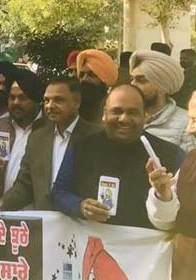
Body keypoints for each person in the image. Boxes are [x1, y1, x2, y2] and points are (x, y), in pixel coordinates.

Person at [51, 85, 183, 229]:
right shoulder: (82, 147)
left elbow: (185, 212)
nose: (124, 119)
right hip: (92, 238)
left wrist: (163, 196)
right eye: (117, 111)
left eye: (133, 113)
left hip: (146, 241)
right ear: (104, 114)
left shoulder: (169, 154)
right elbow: (59, 192)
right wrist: (80, 206)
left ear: (145, 116)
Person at [1, 77, 101, 211]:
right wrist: (1, 204)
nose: (50, 106)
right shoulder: (37, 138)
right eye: (46, 100)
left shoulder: (96, 137)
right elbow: (25, 185)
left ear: (77, 101)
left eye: (58, 100)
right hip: (46, 221)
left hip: (82, 220)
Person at [146, 91, 196, 280]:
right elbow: (166, 222)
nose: (189, 130)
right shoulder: (190, 162)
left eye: (195, 121)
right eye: (190, 120)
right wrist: (163, 194)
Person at [0, 69, 45, 195]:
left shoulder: (50, 129)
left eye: (22, 98)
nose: (16, 103)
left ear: (36, 100)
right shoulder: (0, 126)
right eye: (12, 97)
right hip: (3, 204)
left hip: (35, 205)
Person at [129, 49, 196, 153]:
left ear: (161, 87)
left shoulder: (185, 124)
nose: (132, 85)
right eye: (131, 79)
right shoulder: (125, 118)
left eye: (141, 80)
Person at [76, 49, 118, 124]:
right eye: (81, 75)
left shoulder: (115, 108)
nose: (84, 79)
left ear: (104, 79)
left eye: (91, 75)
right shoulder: (74, 108)